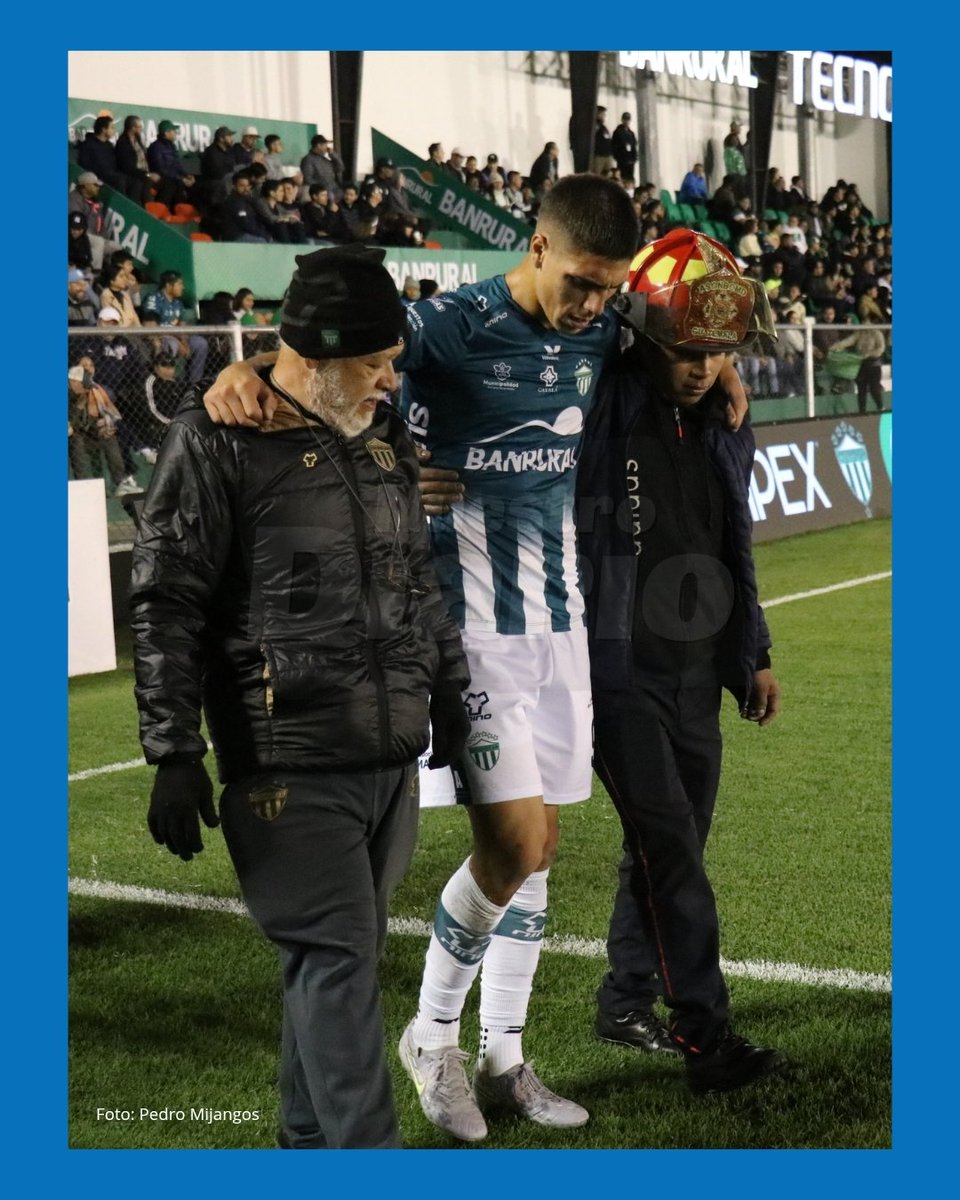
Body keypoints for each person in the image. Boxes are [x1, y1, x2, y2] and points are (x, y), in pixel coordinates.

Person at [201, 188, 750, 1143]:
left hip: (561, 622)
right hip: (466, 632)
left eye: (605, 291)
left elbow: (669, 348)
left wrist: (725, 366)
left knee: (540, 855)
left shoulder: (603, 333)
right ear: (537, 246)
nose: (589, 307)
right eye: (579, 283)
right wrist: (247, 369)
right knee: (516, 842)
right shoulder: (451, 327)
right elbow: (336, 357)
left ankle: (504, 1055)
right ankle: (432, 1039)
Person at [129, 244, 470, 1150]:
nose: (390, 379)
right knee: (339, 962)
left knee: (323, 974)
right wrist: (172, 750)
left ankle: (304, 1150)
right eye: (375, 362)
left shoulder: (381, 434)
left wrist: (449, 694)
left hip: (388, 760)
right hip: (287, 762)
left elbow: (415, 582)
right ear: (317, 358)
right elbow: (166, 603)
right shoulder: (212, 439)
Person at [577, 229, 786, 1094]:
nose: (702, 366)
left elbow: (733, 544)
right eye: (686, 350)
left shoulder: (719, 421)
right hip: (617, 673)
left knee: (670, 847)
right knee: (672, 853)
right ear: (647, 337)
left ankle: (626, 995)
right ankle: (706, 1036)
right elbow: (577, 328)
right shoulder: (609, 398)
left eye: (718, 353)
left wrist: (756, 654)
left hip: (698, 668)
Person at [611, 113, 637, 186]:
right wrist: (617, 157)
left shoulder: (631, 133)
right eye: (625, 119)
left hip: (630, 160)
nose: (626, 122)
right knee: (622, 177)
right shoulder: (617, 132)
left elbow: (634, 146)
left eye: (628, 120)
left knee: (630, 177)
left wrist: (634, 158)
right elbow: (614, 145)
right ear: (622, 120)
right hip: (622, 159)